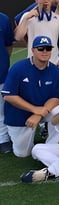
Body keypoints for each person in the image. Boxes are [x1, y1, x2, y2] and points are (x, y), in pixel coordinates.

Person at [1, 36, 59, 157]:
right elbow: (8, 96)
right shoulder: (18, 68)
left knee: (58, 111)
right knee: (22, 153)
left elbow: (57, 97)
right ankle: (15, 134)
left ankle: (50, 147)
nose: (45, 51)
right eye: (41, 49)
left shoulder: (56, 71)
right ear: (33, 50)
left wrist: (39, 113)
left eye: (48, 48)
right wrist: (34, 109)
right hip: (19, 115)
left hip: (42, 111)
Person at [14, 0, 59, 69]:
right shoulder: (28, 16)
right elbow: (18, 37)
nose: (45, 1)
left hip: (53, 64)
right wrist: (26, 18)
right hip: (32, 65)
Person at [0, 12, 14, 153]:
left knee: (2, 108)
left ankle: (3, 138)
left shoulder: (3, 19)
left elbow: (8, 46)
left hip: (1, 71)